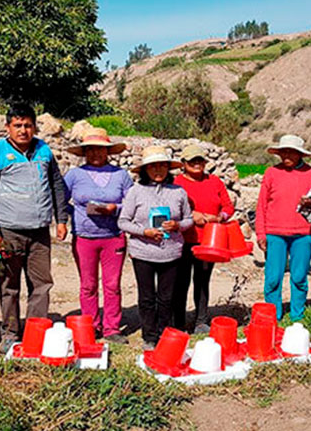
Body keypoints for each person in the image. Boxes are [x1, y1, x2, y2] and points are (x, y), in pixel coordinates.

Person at [0, 103, 69, 354]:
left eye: (28, 125)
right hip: (7, 233)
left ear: (34, 126)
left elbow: (57, 185)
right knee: (8, 284)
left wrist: (61, 219)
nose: (23, 130)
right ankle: (9, 333)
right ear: (8, 127)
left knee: (41, 284)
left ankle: (35, 333)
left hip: (40, 232)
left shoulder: (44, 150)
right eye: (17, 125)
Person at [118, 146, 193, 350]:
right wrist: (145, 232)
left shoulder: (178, 192)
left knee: (167, 297)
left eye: (162, 165)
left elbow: (189, 219)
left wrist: (178, 226)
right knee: (147, 297)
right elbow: (123, 222)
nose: (158, 170)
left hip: (171, 253)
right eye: (152, 166)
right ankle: (149, 336)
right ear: (145, 169)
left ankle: (163, 332)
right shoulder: (135, 192)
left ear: (168, 168)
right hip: (143, 252)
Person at [64, 127, 133, 344]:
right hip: (84, 237)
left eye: (100, 149)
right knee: (88, 285)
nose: (96, 153)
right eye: (91, 149)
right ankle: (91, 325)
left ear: (108, 152)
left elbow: (132, 204)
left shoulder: (121, 175)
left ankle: (112, 328)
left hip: (113, 236)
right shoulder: (74, 175)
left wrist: (116, 209)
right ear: (84, 152)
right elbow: (60, 200)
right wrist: (75, 213)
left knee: (112, 285)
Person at [172, 144, 235, 333]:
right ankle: (178, 321)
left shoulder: (214, 181)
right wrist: (191, 215)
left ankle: (201, 320)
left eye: (200, 160)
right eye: (192, 160)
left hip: (209, 241)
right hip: (183, 240)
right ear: (183, 163)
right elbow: (170, 207)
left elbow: (228, 207)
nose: (197, 163)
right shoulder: (177, 183)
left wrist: (220, 217)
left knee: (202, 281)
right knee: (181, 281)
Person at [255, 135, 311, 321]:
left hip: (304, 233)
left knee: (299, 277)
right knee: (273, 278)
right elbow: (262, 205)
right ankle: (272, 317)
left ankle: (297, 316)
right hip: (275, 233)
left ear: (300, 154)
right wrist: (261, 233)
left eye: (291, 152)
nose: (287, 155)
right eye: (284, 152)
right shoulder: (271, 173)